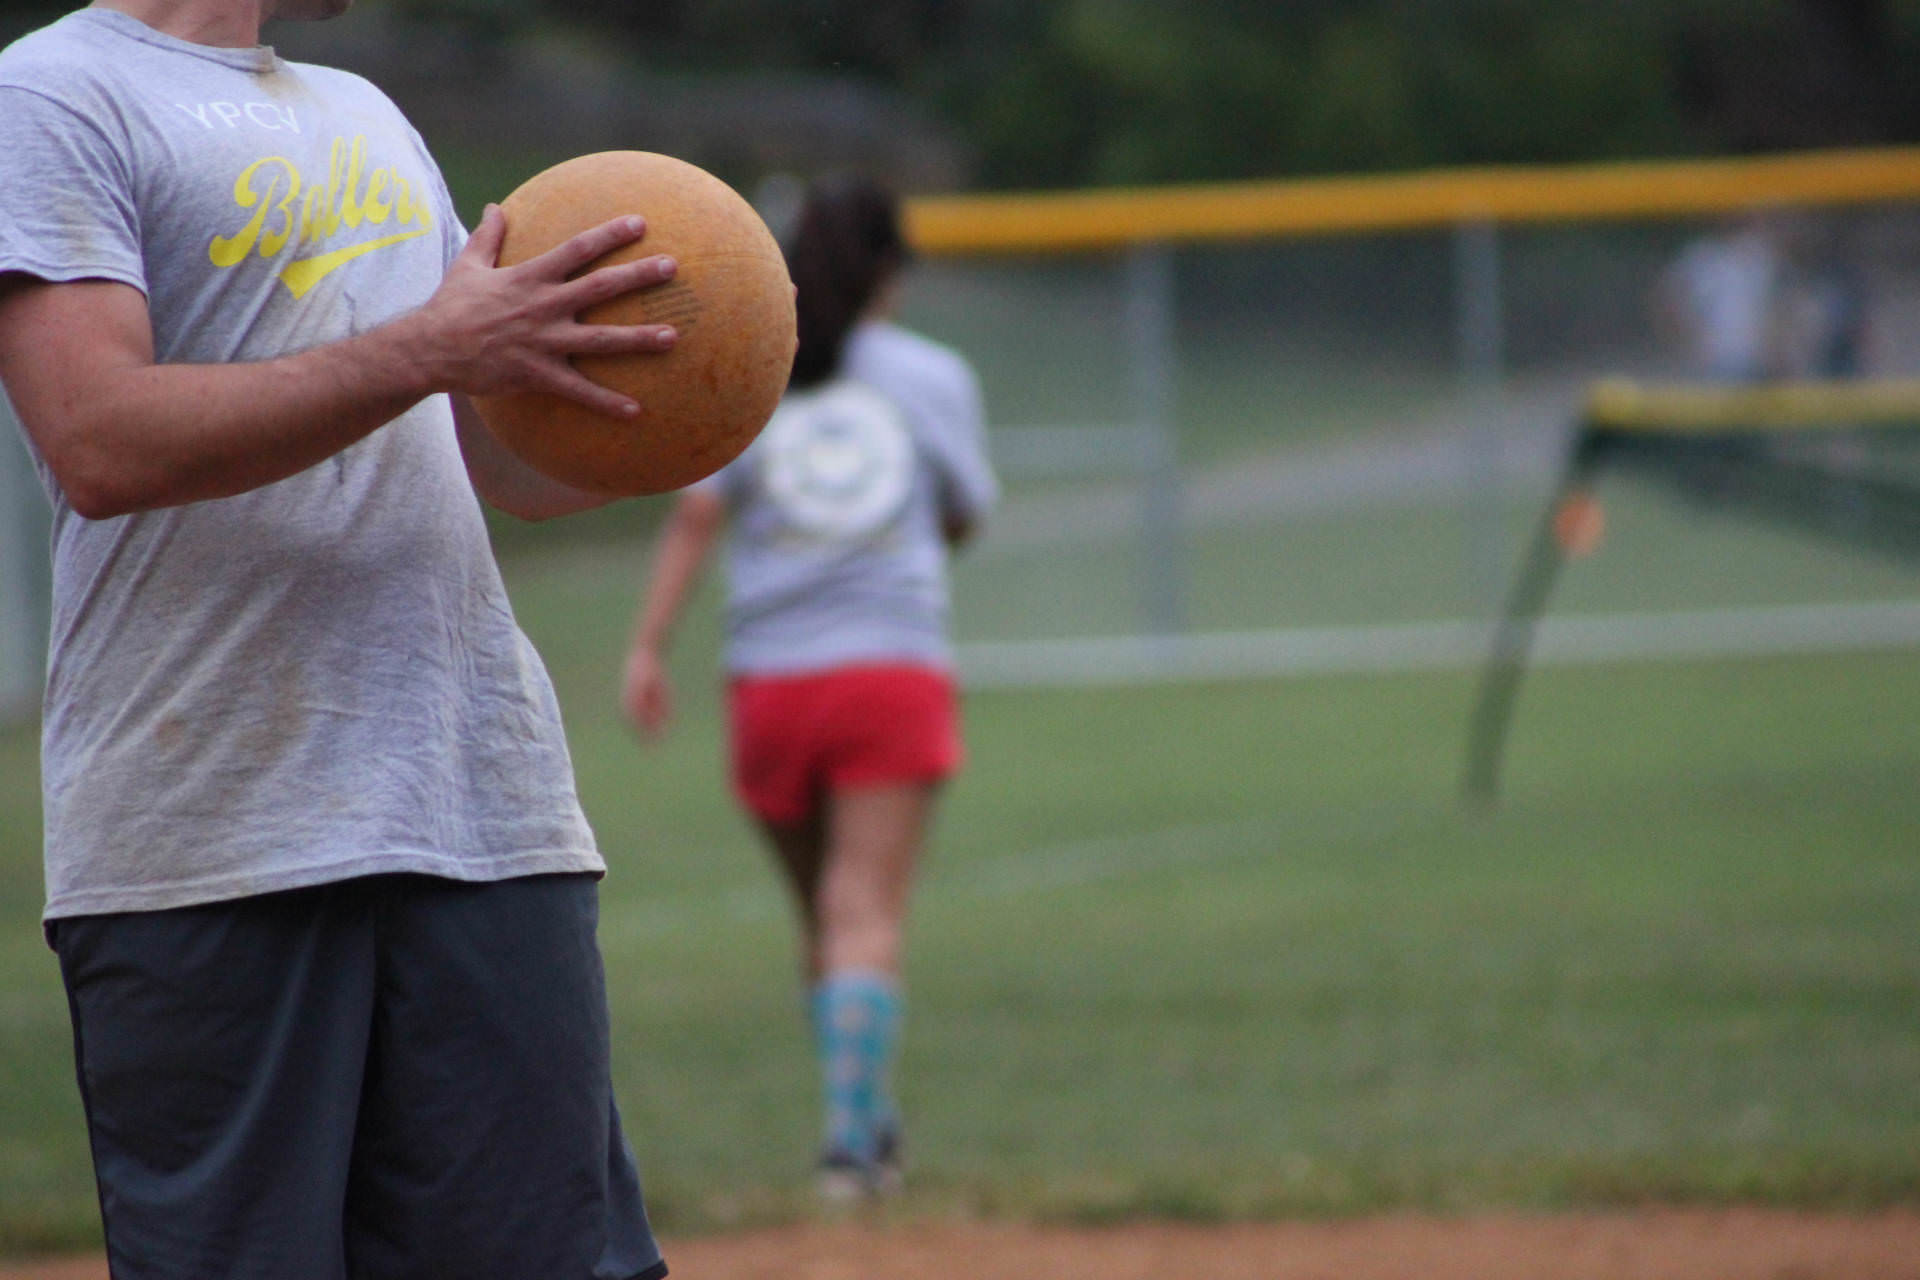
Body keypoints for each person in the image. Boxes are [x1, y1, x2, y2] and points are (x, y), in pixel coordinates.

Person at [0, 2, 684, 1276]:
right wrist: (427, 347)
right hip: (216, 827)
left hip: (483, 806)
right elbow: (98, 438)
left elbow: (500, 464)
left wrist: (697, 396)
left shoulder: (364, 110)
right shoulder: (51, 94)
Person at [621, 174, 997, 1202]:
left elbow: (697, 514)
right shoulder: (932, 375)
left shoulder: (754, 367)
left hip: (773, 685)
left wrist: (648, 646)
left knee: (825, 919)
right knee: (863, 911)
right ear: (888, 272)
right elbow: (962, 514)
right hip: (889, 672)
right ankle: (849, 1146)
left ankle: (866, 1123)